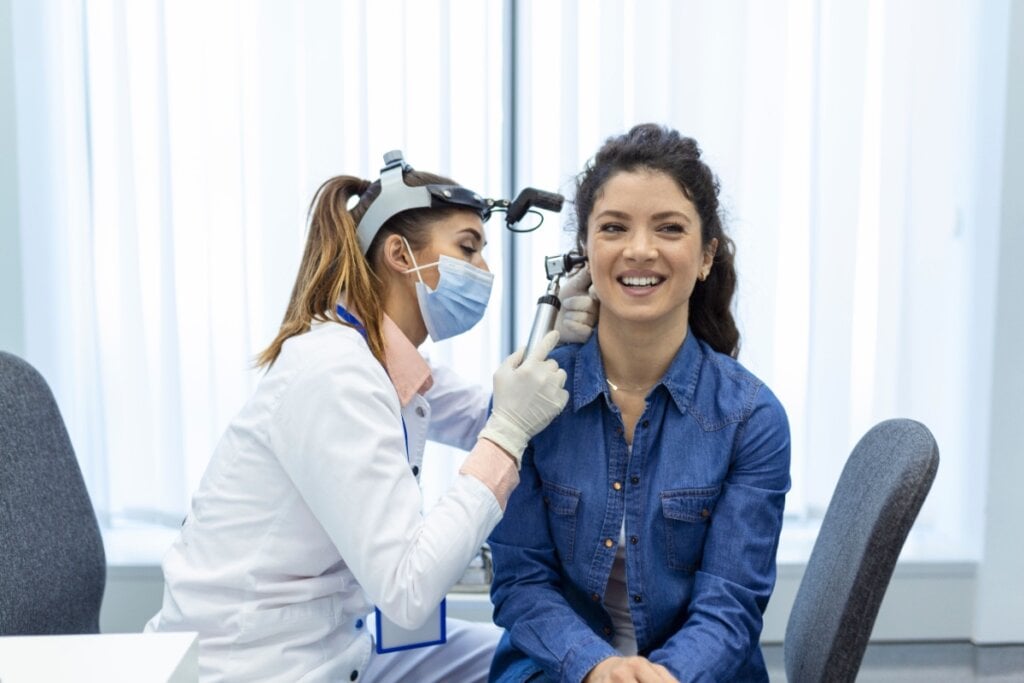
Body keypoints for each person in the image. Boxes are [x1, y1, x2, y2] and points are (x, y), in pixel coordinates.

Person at [144, 150, 596, 682]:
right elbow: (408, 589)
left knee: (515, 657)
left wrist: (552, 334)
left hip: (338, 643)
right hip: (258, 666)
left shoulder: (380, 358)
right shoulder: (336, 374)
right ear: (400, 255)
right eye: (468, 250)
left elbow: (492, 412)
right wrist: (509, 431)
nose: (485, 273)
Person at [487, 124, 791, 683]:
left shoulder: (751, 417)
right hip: (559, 669)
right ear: (585, 251)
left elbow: (731, 604)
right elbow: (521, 583)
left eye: (669, 228)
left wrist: (666, 677)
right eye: (614, 227)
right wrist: (596, 667)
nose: (640, 249)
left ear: (705, 256)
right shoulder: (531, 400)